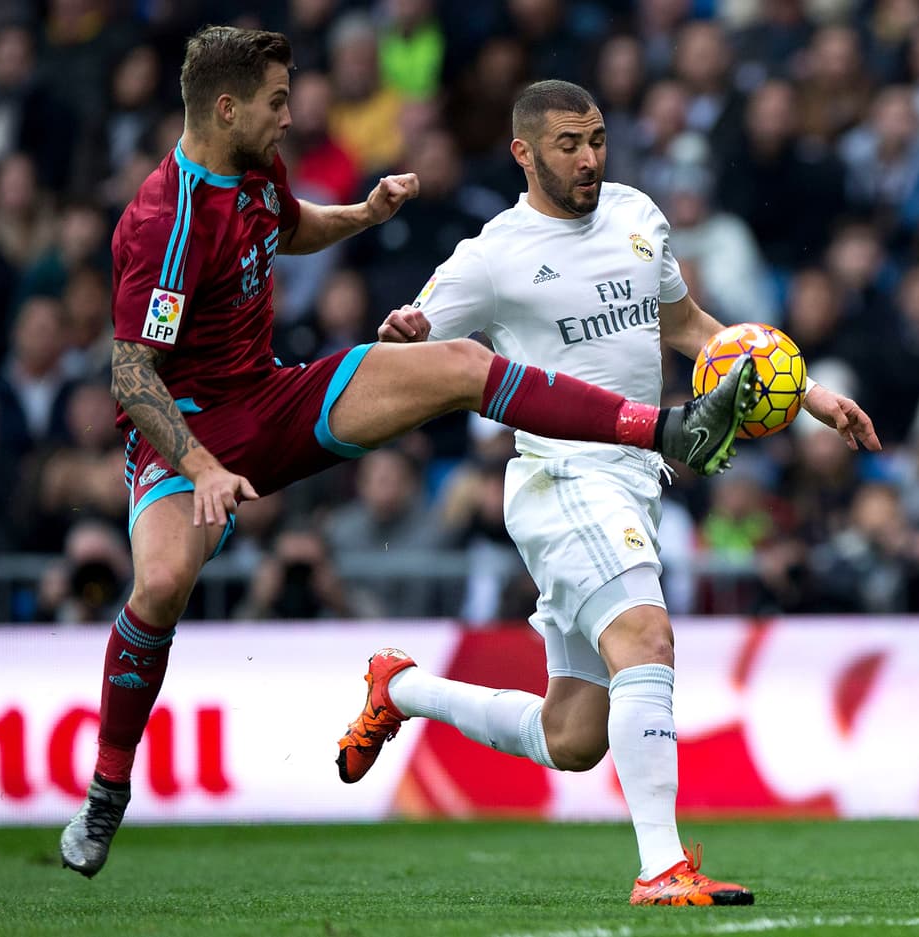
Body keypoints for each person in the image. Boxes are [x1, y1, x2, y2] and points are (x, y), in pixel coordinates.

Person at [59, 29, 764, 880]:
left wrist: (358, 216)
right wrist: (203, 465)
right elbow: (132, 372)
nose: (291, 118)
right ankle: (107, 789)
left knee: (466, 366)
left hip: (276, 397)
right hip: (188, 429)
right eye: (278, 103)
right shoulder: (161, 222)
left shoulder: (254, 171)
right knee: (163, 585)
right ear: (226, 107)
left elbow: (287, 228)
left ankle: (660, 428)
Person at [338, 80, 880, 907]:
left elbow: (692, 326)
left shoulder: (636, 214)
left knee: (573, 737)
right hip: (562, 477)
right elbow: (404, 344)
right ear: (524, 153)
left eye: (595, 139)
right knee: (648, 639)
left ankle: (399, 687)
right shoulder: (494, 254)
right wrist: (405, 332)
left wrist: (808, 395)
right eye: (567, 144)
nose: (588, 157)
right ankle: (662, 867)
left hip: (636, 479)